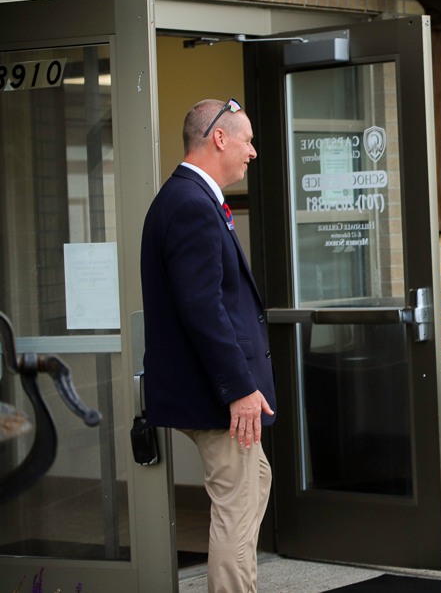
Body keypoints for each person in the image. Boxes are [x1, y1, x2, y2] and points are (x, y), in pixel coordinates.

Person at [141, 98, 275, 593]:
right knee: (237, 510)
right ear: (219, 138)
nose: (253, 152)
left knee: (254, 481)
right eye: (248, 140)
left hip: (211, 391)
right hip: (217, 396)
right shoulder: (192, 204)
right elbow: (203, 309)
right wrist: (238, 388)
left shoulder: (184, 198)